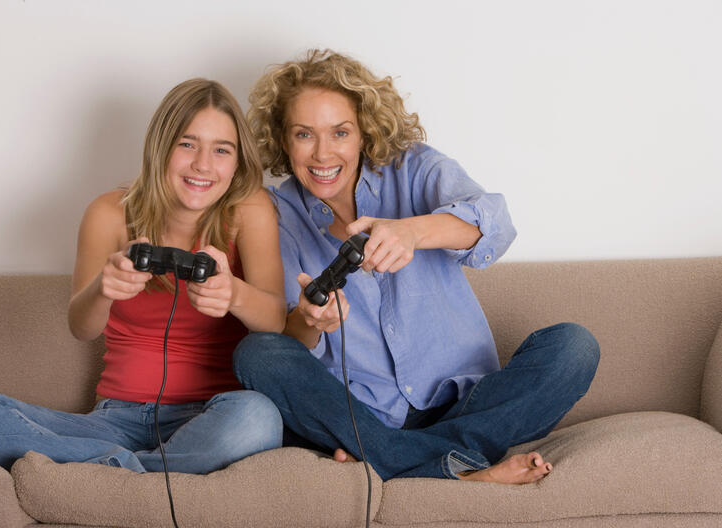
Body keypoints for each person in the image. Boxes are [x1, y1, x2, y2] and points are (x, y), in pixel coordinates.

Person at [233, 49, 600, 484]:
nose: (323, 153)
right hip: (363, 414)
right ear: (282, 139)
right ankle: (460, 467)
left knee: (574, 347)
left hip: (466, 403)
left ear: (364, 132)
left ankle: (394, 459)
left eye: (340, 132)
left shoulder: (413, 168)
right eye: (303, 135)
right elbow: (290, 339)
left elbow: (496, 223)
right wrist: (314, 320)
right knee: (257, 354)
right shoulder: (278, 215)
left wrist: (413, 232)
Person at [0, 78, 286, 474]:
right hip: (115, 419)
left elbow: (275, 321)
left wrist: (233, 293)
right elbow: (82, 327)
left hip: (211, 416)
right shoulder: (109, 213)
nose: (203, 164)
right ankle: (135, 469)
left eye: (221, 150)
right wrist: (103, 288)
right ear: (160, 147)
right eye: (187, 144)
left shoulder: (250, 209)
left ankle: (105, 470)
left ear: (237, 162)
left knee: (259, 417)